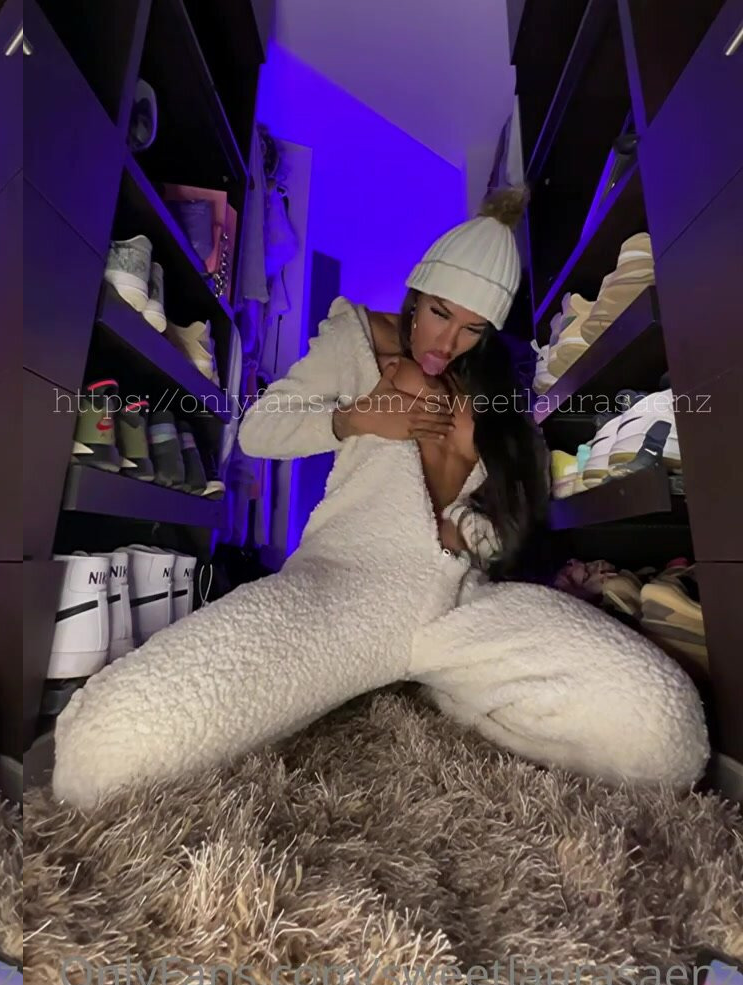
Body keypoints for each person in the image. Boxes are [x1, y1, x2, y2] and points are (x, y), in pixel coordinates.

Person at [52, 191, 707, 808]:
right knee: (109, 750)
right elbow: (259, 430)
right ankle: (390, 677)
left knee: (663, 735)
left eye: (472, 328)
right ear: (416, 293)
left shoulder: (491, 387)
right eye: (440, 312)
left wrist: (472, 522)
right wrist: (355, 417)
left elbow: (502, 522)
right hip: (345, 585)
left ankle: (444, 684)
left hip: (461, 602)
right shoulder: (358, 342)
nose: (446, 343)